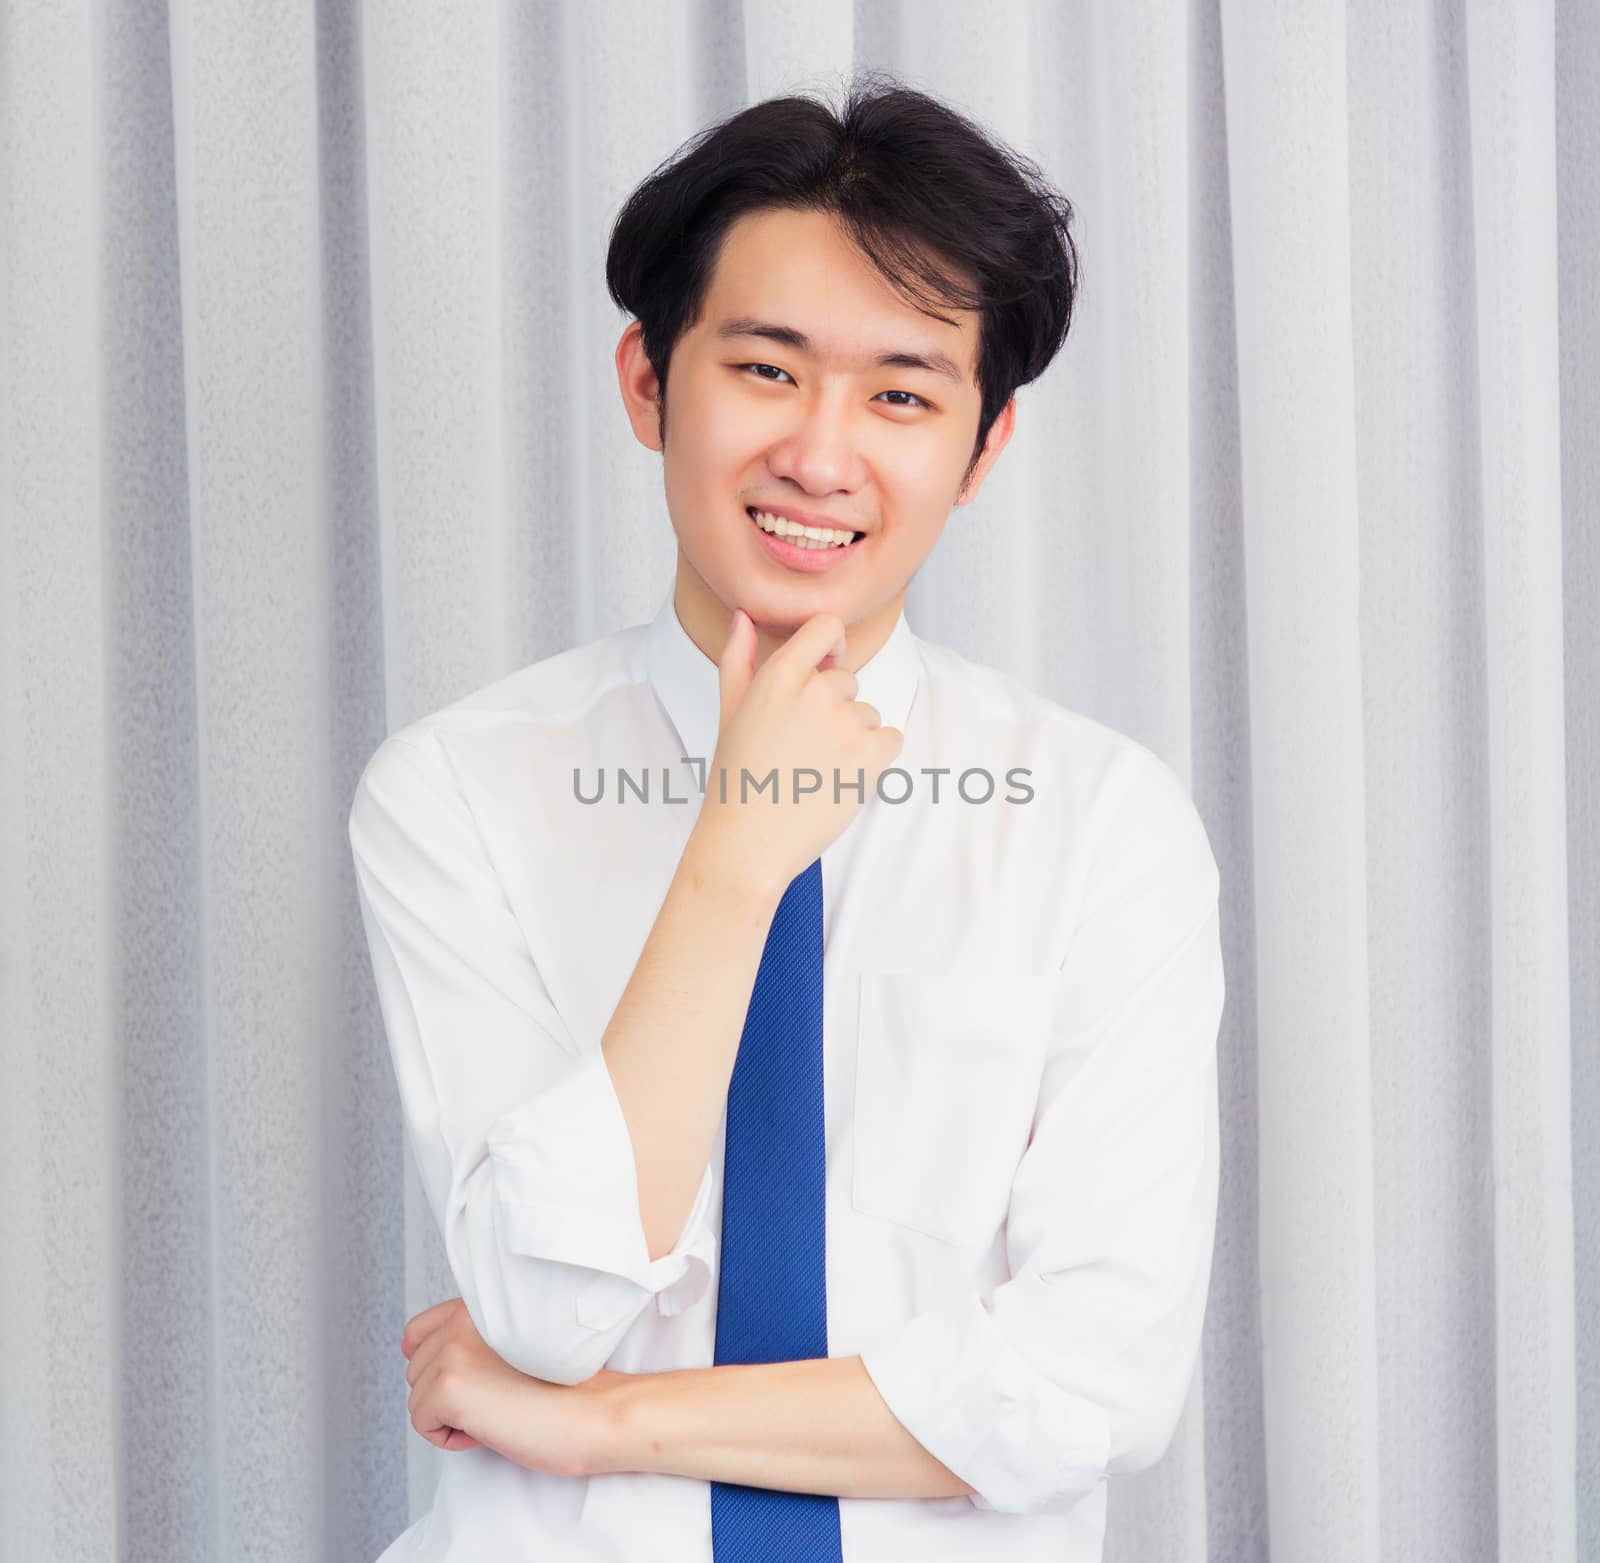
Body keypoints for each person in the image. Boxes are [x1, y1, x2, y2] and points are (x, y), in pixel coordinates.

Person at [349, 69, 1225, 1563]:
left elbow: (1092, 1381)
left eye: (901, 393)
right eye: (766, 369)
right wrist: (737, 860)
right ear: (648, 383)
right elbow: (546, 1311)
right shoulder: (456, 791)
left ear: (984, 447)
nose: (823, 455)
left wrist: (604, 1425)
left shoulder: (1101, 823)